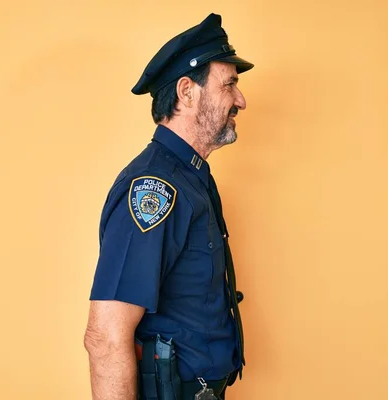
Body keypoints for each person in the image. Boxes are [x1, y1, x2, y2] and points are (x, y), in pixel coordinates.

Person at [84, 13, 254, 400]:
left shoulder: (192, 177)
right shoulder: (155, 189)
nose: (241, 100)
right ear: (187, 92)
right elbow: (106, 338)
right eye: (229, 84)